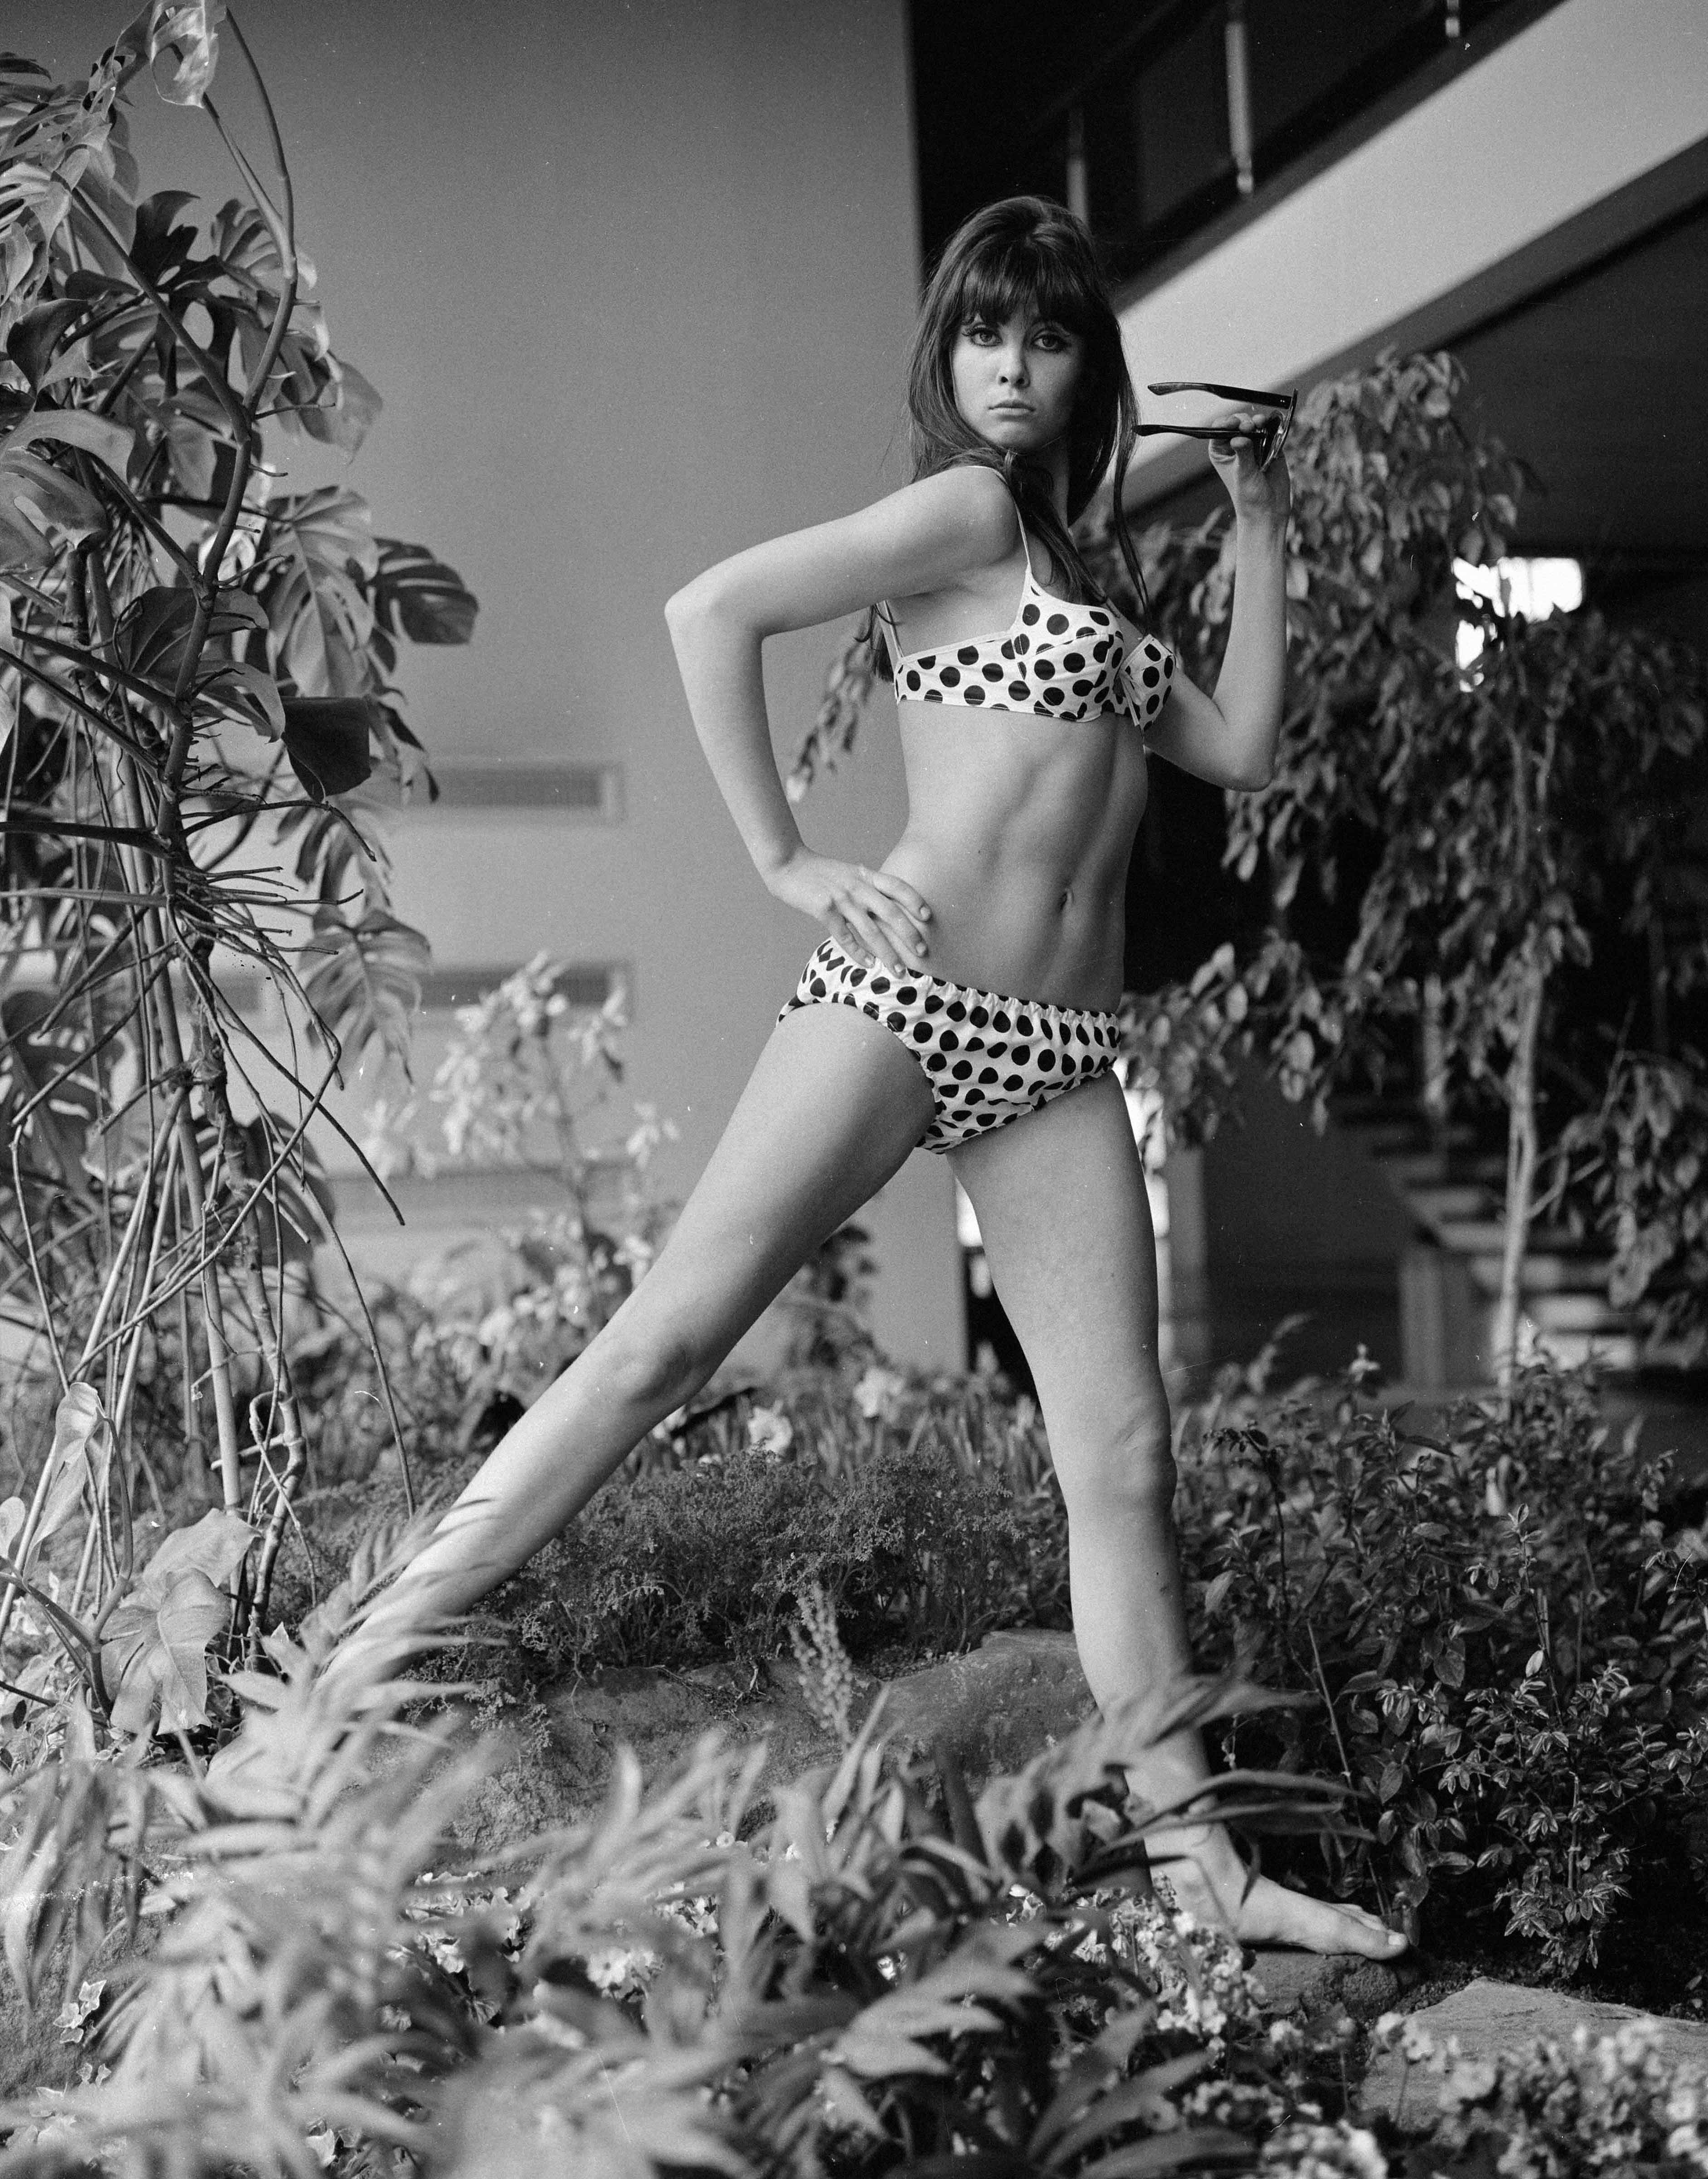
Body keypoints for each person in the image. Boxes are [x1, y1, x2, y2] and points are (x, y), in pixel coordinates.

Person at [369, 195, 1404, 1961]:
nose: (1008, 364)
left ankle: (1199, 1867)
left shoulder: (1083, 572)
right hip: (905, 994)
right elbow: (714, 610)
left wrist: (1256, 512)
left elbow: (1237, 745)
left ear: (1088, 364)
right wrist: (780, 859)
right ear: (945, 351)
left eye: (1044, 334)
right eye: (981, 332)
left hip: (1059, 1055)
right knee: (661, 1346)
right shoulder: (964, 511)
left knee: (1124, 1459)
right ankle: (359, 1659)